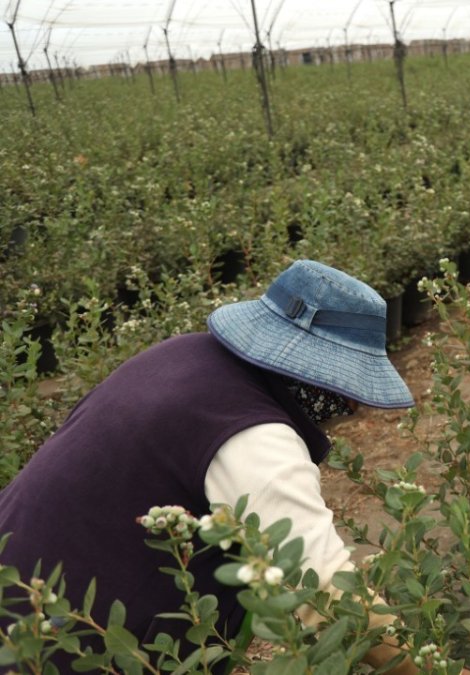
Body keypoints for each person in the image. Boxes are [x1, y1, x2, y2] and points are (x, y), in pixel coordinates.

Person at [0, 260, 433, 674]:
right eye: (347, 384)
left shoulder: (185, 356)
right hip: (52, 636)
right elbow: (318, 586)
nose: (352, 404)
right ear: (315, 375)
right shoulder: (250, 433)